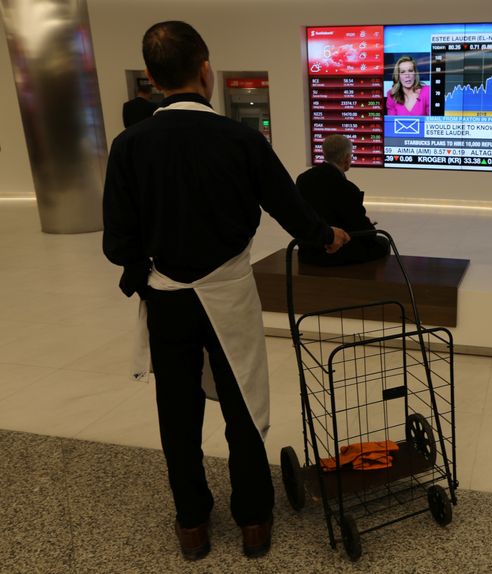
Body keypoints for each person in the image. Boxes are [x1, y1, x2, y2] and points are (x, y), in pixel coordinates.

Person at [102, 21, 348, 562]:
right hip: (230, 296)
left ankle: (192, 524)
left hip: (166, 300)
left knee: (177, 412)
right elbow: (291, 208)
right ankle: (254, 521)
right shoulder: (240, 139)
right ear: (205, 69)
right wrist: (326, 236)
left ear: (150, 77)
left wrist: (152, 262)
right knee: (240, 408)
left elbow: (116, 244)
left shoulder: (128, 145)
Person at [296, 135, 389, 265]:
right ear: (346, 158)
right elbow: (362, 229)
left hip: (307, 251)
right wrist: (370, 228)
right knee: (383, 243)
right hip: (335, 252)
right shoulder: (347, 188)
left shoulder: (302, 179)